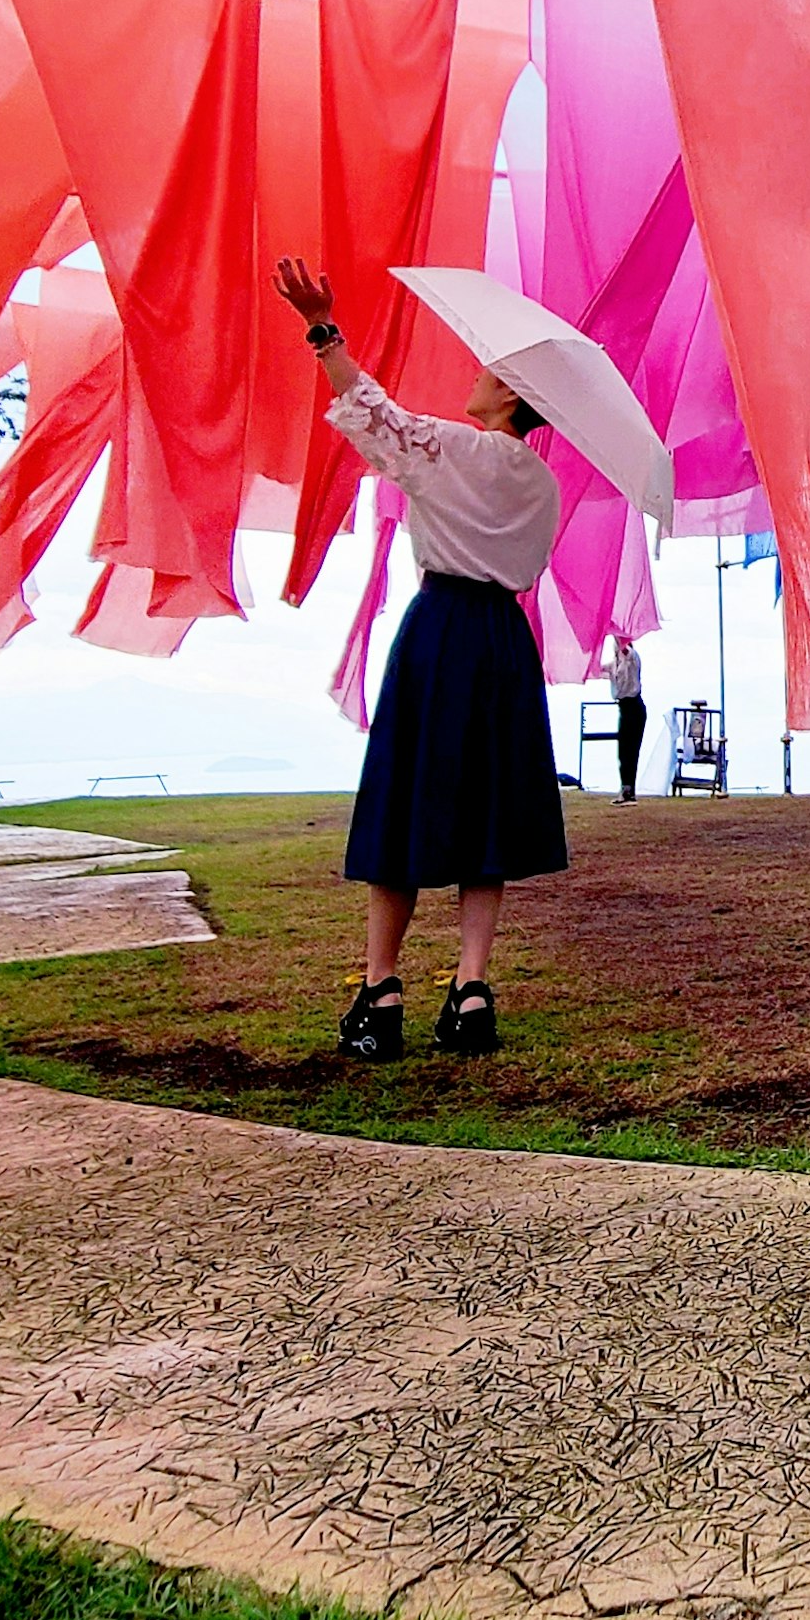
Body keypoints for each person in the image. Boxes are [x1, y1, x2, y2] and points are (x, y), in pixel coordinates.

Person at [272, 257, 564, 1061]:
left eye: (485, 374)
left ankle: (383, 988)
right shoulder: (544, 487)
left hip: (439, 630)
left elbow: (370, 412)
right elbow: (528, 568)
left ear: (506, 397)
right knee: (488, 816)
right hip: (503, 640)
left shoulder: (451, 450)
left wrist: (323, 328)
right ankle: (471, 989)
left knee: (405, 802)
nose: (474, 380)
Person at [606, 632, 647, 804]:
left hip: (634, 706)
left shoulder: (631, 657)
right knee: (623, 750)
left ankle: (629, 790)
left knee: (630, 749)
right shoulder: (615, 664)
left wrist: (613, 628)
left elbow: (625, 650)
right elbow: (597, 670)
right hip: (624, 707)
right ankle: (626, 789)